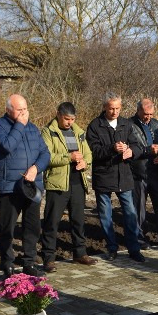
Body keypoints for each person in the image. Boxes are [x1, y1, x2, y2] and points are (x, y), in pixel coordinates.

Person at [0, 94, 50, 278]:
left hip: (32, 186)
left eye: (26, 109)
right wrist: (20, 125)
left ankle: (29, 262)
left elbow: (45, 153)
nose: (24, 113)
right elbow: (7, 145)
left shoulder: (33, 128)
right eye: (20, 110)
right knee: (7, 227)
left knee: (32, 227)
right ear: (9, 110)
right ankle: (7, 263)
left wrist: (36, 168)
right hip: (9, 187)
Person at [86, 93, 145, 263]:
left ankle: (134, 249)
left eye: (118, 108)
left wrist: (131, 151)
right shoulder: (95, 125)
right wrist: (112, 148)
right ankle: (111, 248)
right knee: (105, 215)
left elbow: (137, 145)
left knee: (130, 214)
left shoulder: (126, 124)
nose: (115, 111)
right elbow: (94, 152)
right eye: (111, 108)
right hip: (104, 176)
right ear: (105, 107)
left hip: (124, 176)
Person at [39, 102, 97, 270]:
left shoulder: (78, 132)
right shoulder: (48, 132)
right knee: (52, 222)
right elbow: (47, 157)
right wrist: (69, 157)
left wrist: (85, 162)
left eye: (72, 119)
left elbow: (88, 153)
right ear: (58, 114)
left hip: (77, 182)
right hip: (57, 184)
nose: (69, 122)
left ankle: (80, 253)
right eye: (66, 119)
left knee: (78, 221)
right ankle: (48, 258)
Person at [130, 99, 158, 247]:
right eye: (146, 114)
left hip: (156, 173)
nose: (148, 117)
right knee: (139, 209)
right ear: (138, 110)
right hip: (139, 173)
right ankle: (139, 238)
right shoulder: (129, 125)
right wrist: (148, 150)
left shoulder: (157, 124)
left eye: (151, 114)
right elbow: (130, 151)